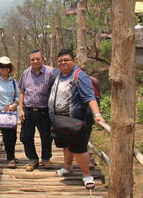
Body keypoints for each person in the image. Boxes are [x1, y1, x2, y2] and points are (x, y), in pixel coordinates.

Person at [48, 49, 105, 189]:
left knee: (79, 149)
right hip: (61, 119)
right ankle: (67, 167)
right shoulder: (58, 74)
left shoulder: (80, 76)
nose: (63, 63)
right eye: (60, 61)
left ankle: (87, 175)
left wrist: (97, 115)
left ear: (73, 61)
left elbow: (89, 97)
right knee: (66, 145)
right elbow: (48, 68)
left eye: (66, 60)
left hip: (77, 121)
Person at [18, 50, 55, 171]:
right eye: (32, 59)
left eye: (37, 59)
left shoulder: (50, 73)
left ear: (43, 59)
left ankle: (45, 159)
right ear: (29, 61)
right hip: (28, 110)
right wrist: (20, 109)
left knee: (46, 136)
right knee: (25, 136)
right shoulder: (26, 73)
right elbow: (22, 91)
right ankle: (33, 159)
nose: (35, 61)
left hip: (44, 110)